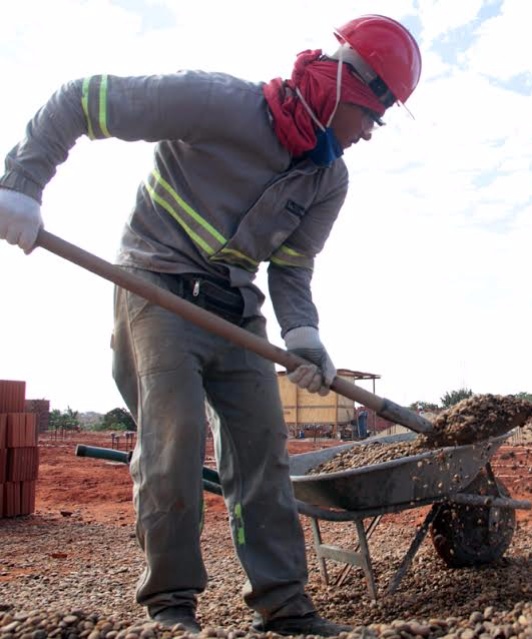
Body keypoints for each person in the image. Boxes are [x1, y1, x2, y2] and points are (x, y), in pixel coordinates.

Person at [0, 14, 421, 637]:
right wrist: (22, 183)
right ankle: (171, 607)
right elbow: (81, 100)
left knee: (263, 457)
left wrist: (304, 334)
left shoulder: (328, 176)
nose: (369, 135)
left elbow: (292, 267)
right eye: (373, 117)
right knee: (172, 446)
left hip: (234, 309)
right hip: (155, 287)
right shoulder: (219, 103)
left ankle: (283, 606)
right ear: (348, 88)